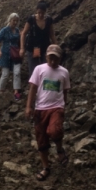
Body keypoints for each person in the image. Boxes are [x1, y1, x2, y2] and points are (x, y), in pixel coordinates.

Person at [25, 44, 70, 181]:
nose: (52, 61)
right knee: (41, 139)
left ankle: (60, 149)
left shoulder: (64, 72)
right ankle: (46, 167)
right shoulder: (39, 69)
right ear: (46, 57)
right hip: (40, 108)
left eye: (55, 58)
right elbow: (33, 88)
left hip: (56, 107)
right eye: (50, 58)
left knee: (55, 130)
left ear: (60, 58)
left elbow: (65, 90)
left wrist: (63, 105)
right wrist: (29, 107)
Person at [20, 0, 56, 76]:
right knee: (34, 70)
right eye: (39, 12)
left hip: (45, 47)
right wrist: (22, 48)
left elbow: (52, 35)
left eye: (42, 13)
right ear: (36, 11)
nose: (40, 15)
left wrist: (56, 46)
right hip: (33, 48)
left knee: (46, 69)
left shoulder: (49, 20)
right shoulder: (32, 19)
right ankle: (33, 87)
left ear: (45, 12)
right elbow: (23, 33)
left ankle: (43, 86)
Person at [0, 13, 22, 101]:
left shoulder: (18, 31)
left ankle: (16, 92)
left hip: (16, 54)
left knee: (17, 73)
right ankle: (1, 90)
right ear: (10, 20)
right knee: (5, 74)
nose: (15, 22)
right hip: (6, 53)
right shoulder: (4, 30)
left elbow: (20, 42)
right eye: (14, 20)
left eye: (16, 21)